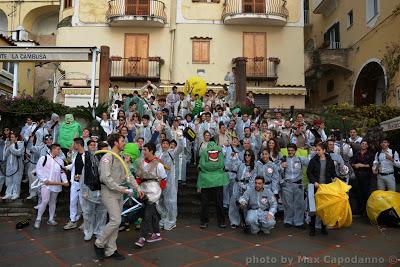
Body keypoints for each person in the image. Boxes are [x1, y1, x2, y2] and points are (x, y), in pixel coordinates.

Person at [94, 134, 142, 261]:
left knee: (116, 221)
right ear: (115, 143)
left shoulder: (120, 157)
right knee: (115, 220)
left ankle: (111, 250)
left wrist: (138, 188)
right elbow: (105, 178)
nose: (124, 143)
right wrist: (122, 189)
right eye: (122, 141)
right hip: (109, 192)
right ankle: (99, 244)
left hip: (119, 193)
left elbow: (128, 176)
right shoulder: (108, 157)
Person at [135, 142, 167, 248]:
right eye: (143, 150)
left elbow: (163, 179)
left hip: (153, 191)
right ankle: (157, 233)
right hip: (142, 190)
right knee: (151, 212)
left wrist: (158, 193)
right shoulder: (140, 163)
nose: (143, 152)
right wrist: (136, 188)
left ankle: (142, 237)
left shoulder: (159, 164)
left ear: (151, 151)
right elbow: (138, 177)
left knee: (147, 214)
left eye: (145, 150)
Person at [34, 144, 69, 229]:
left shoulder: (60, 160)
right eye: (57, 149)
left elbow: (62, 172)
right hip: (46, 184)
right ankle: (38, 219)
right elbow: (38, 170)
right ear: (52, 149)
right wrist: (44, 179)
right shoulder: (43, 158)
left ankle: (51, 219)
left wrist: (65, 181)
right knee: (45, 201)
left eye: (59, 149)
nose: (59, 151)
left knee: (53, 201)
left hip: (56, 184)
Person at [307, 143, 336, 236]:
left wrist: (334, 177)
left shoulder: (330, 161)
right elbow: (309, 172)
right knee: (313, 208)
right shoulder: (313, 160)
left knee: (324, 208)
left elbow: (333, 172)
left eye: (319, 150)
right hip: (315, 187)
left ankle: (324, 227)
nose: (317, 151)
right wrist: (314, 181)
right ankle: (312, 228)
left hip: (325, 188)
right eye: (316, 150)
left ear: (324, 150)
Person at [197, 141, 229, 228]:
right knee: (219, 203)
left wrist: (207, 168)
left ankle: (204, 221)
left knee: (205, 203)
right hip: (218, 180)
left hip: (205, 180)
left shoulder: (204, 152)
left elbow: (202, 165)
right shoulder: (220, 151)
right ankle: (221, 221)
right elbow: (221, 164)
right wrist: (216, 168)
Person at [280, 143, 309, 228]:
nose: (290, 152)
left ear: (295, 151)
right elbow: (277, 170)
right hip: (287, 184)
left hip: (298, 184)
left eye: (292, 150)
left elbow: (311, 163)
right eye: (289, 150)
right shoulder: (284, 159)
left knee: (299, 204)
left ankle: (298, 222)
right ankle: (288, 220)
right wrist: (281, 166)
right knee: (288, 204)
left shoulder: (301, 159)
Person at [229, 149, 256, 228]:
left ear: (252, 156)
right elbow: (232, 168)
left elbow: (253, 179)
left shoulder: (254, 167)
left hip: (247, 187)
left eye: (249, 155)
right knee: (234, 202)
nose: (247, 156)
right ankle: (234, 221)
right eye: (245, 155)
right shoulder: (241, 164)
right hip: (237, 185)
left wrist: (247, 187)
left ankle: (246, 221)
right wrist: (233, 159)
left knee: (245, 204)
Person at [64, 138, 86, 231]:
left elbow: (88, 170)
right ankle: (72, 221)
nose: (73, 146)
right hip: (74, 182)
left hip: (83, 184)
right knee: (72, 202)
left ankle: (86, 222)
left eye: (74, 144)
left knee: (83, 203)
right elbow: (72, 165)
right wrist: (63, 167)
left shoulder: (87, 156)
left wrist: (81, 177)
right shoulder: (75, 154)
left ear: (78, 144)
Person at [351, 140, 374, 216]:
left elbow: (371, 165)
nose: (364, 145)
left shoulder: (370, 154)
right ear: (360, 145)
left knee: (366, 193)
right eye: (362, 144)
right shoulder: (356, 153)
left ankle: (366, 211)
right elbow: (352, 163)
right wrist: (355, 165)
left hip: (366, 175)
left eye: (365, 144)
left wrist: (362, 165)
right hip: (357, 175)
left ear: (367, 146)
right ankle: (360, 210)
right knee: (358, 193)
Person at [2, 132, 24, 200]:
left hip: (17, 165)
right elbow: (5, 155)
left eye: (12, 137)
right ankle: (8, 193)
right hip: (9, 165)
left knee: (16, 180)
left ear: (16, 138)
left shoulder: (20, 143)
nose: (11, 139)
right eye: (10, 137)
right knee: (9, 180)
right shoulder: (9, 145)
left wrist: (11, 147)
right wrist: (8, 147)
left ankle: (16, 193)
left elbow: (19, 153)